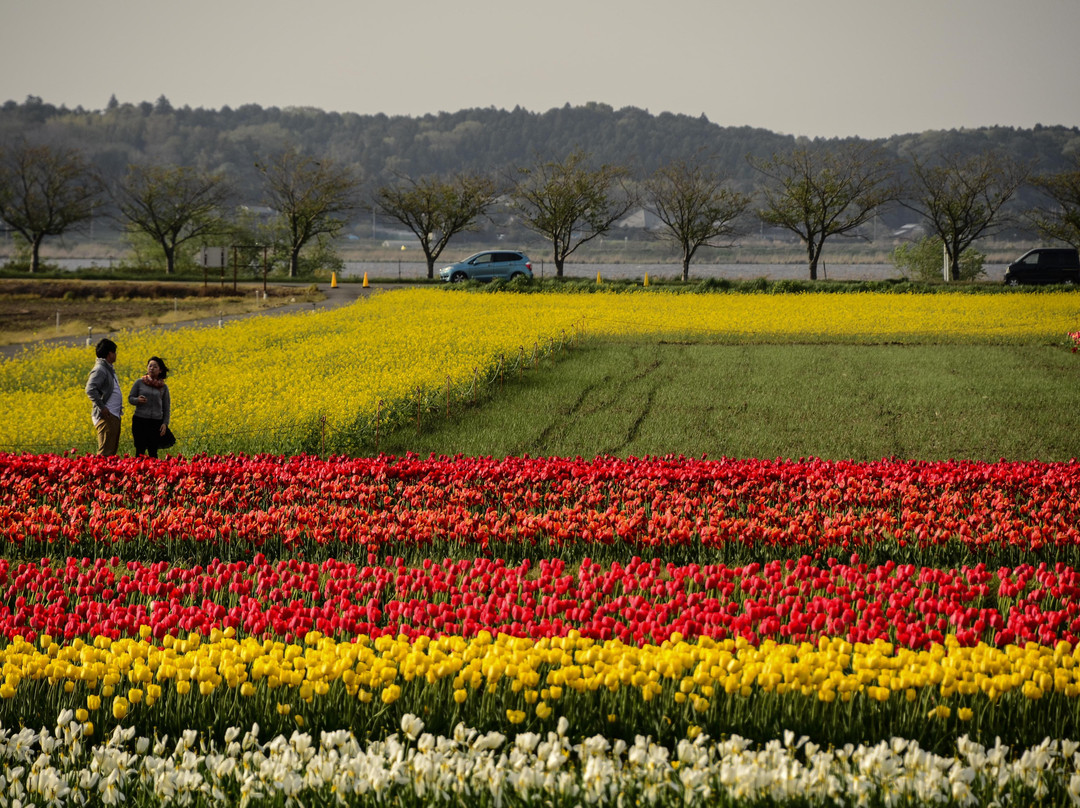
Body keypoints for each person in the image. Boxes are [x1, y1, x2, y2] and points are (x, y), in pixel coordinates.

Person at [85, 338, 122, 456]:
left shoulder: (107, 368)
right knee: (105, 452)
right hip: (106, 416)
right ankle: (99, 473)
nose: (116, 355)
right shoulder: (100, 369)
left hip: (112, 415)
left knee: (111, 451)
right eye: (114, 352)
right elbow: (90, 389)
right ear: (110, 353)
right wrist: (102, 407)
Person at [128, 356, 171, 458]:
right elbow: (130, 398)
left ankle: (154, 473)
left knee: (153, 451)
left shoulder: (163, 387)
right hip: (140, 420)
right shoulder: (139, 382)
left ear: (160, 370)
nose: (151, 368)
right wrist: (137, 400)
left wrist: (165, 423)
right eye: (150, 366)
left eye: (155, 366)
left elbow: (166, 407)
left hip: (156, 422)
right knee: (140, 450)